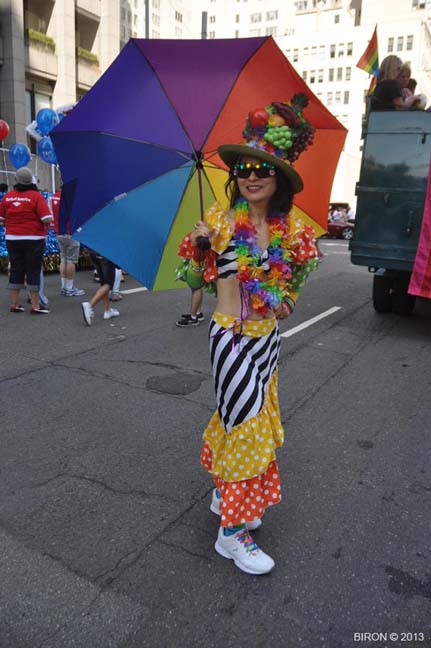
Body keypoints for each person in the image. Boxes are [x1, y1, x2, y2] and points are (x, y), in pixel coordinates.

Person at [178, 96, 319, 575]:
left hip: (266, 341)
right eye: (243, 169)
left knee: (238, 419)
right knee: (248, 428)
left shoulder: (292, 231)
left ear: (279, 178)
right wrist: (198, 249)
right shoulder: (218, 221)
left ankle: (226, 496)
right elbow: (192, 279)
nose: (251, 176)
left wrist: (287, 303)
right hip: (230, 337)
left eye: (262, 169)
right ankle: (232, 535)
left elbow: (296, 281)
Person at [0, 167, 52, 314]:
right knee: (33, 270)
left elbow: (1, 219)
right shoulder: (36, 197)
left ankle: (14, 304)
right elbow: (47, 219)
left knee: (16, 269)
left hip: (12, 238)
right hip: (33, 238)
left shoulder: (8, 197)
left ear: (16, 180)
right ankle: (35, 305)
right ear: (31, 181)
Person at [51, 188, 85, 297]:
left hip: (58, 231)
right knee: (71, 261)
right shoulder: (72, 197)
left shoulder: (54, 196)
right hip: (70, 231)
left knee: (63, 259)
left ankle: (64, 286)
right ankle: (69, 288)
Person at [81, 251, 120, 325]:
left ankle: (107, 310)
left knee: (104, 283)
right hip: (107, 254)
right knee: (108, 284)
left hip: (94, 252)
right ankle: (90, 305)